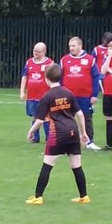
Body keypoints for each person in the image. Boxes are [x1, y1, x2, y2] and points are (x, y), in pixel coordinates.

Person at [25, 64, 91, 204]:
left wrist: (31, 131)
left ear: (46, 78)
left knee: (47, 164)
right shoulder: (68, 93)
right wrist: (83, 133)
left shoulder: (47, 96)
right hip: (73, 130)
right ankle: (84, 196)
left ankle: (38, 197)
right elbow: (79, 114)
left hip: (58, 133)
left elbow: (40, 120)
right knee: (76, 165)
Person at [60, 36, 102, 150]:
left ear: (80, 46)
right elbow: (60, 77)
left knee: (86, 117)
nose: (71, 48)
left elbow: (96, 77)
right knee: (66, 118)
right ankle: (67, 141)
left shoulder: (90, 59)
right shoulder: (64, 60)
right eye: (70, 46)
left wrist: (94, 95)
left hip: (84, 96)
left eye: (73, 46)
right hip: (68, 95)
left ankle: (89, 141)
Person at [19, 42, 54, 143]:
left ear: (43, 52)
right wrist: (22, 91)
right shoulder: (29, 62)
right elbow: (24, 77)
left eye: (38, 51)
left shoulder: (49, 63)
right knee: (35, 116)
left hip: (45, 96)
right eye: (34, 50)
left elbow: (53, 79)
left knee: (47, 116)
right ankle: (35, 137)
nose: (35, 53)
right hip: (31, 96)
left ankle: (49, 137)